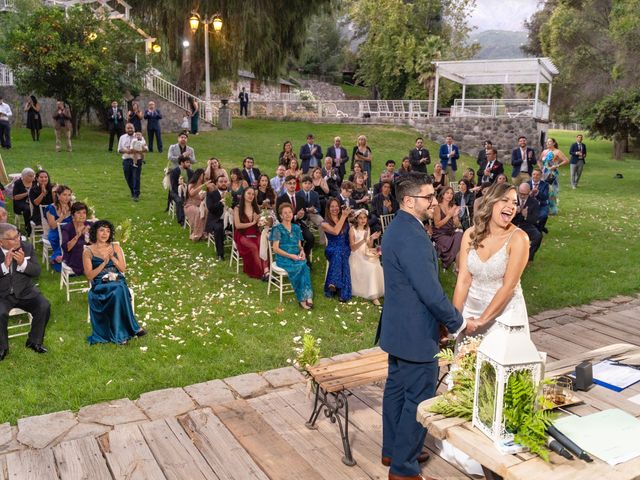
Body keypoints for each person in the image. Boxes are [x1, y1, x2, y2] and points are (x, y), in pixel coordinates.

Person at [378, 172, 464, 480]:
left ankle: (393, 450)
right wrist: (456, 322)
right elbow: (429, 291)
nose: (434, 201)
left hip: (397, 330)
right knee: (419, 399)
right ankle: (403, 468)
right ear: (409, 200)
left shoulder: (396, 227)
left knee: (397, 392)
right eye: (429, 197)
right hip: (415, 334)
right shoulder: (412, 236)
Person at [453, 182, 530, 341]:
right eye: (505, 200)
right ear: (491, 202)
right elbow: (463, 280)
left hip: (504, 314)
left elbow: (509, 286)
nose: (511, 206)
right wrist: (454, 319)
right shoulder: (470, 234)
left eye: (514, 203)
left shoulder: (519, 239)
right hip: (470, 312)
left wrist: (482, 320)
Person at [83, 220, 145, 345]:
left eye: (107, 230)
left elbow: (122, 269)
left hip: (117, 279)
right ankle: (128, 330)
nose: (105, 233)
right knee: (119, 290)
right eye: (101, 230)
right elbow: (89, 276)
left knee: (119, 287)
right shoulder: (88, 251)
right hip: (100, 283)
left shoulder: (115, 247)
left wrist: (112, 258)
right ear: (95, 232)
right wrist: (103, 263)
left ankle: (123, 332)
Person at [0, 223, 51, 360]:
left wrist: (23, 263)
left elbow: (36, 271)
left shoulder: (26, 247)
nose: (17, 240)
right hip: (2, 295)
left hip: (25, 291)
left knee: (44, 306)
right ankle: (2, 348)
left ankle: (34, 342)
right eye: (12, 239)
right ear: (1, 242)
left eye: (18, 236)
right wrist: (5, 265)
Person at [270, 203, 313, 309]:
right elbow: (275, 249)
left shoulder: (296, 228)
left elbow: (299, 245)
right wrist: (290, 256)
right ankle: (302, 298)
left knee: (305, 266)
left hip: (296, 255)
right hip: (283, 257)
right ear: (281, 215)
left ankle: (307, 295)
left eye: (290, 212)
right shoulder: (277, 229)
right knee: (300, 267)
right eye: (285, 213)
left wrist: (302, 251)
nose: (288, 215)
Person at [275, 175, 315, 264]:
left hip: (299, 225)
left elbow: (305, 216)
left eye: (294, 183)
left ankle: (304, 256)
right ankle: (293, 259)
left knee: (310, 238)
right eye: (290, 183)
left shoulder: (300, 199)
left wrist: (302, 215)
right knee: (294, 241)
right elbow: (279, 217)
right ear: (285, 185)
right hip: (287, 227)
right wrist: (296, 216)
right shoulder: (281, 199)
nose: (292, 185)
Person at [349, 209, 383, 306]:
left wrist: (371, 238)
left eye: (365, 218)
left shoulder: (367, 229)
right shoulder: (352, 230)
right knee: (371, 268)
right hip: (356, 256)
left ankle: (377, 291)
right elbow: (353, 247)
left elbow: (369, 245)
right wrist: (363, 240)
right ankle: (373, 296)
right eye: (360, 218)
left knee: (377, 265)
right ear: (356, 219)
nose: (363, 220)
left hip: (365, 253)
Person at [234, 187, 269, 280]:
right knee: (253, 247)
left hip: (255, 233)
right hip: (242, 234)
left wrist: (262, 222)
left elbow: (259, 224)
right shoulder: (237, 208)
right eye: (248, 193)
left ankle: (266, 271)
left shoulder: (256, 207)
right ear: (244, 195)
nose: (251, 196)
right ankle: (260, 273)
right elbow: (237, 225)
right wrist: (253, 223)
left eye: (253, 194)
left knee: (262, 244)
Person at [321, 198, 352, 302]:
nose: (335, 208)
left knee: (341, 252)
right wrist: (343, 216)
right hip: (331, 248)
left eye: (336, 206)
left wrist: (349, 216)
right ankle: (342, 292)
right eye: (332, 206)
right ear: (328, 209)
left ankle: (333, 284)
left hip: (345, 247)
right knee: (339, 252)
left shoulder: (345, 219)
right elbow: (335, 231)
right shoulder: (324, 223)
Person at [432, 186, 463, 272]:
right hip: (440, 234)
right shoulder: (437, 207)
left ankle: (457, 267)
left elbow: (457, 225)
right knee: (457, 242)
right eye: (447, 193)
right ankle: (448, 264)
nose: (449, 195)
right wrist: (449, 215)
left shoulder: (453, 206)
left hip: (451, 232)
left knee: (460, 235)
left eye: (451, 193)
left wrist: (455, 216)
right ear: (442, 194)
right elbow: (437, 225)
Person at [538, 137, 569, 215]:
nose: (548, 143)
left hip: (552, 173)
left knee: (552, 191)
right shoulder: (544, 151)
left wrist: (557, 165)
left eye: (550, 142)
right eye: (547, 142)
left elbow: (566, 160)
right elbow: (539, 160)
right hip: (543, 173)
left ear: (554, 143)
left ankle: (553, 210)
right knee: (543, 190)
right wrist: (540, 167)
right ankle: (544, 208)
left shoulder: (557, 152)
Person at [512, 183, 542, 262]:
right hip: (511, 225)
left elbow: (534, 220)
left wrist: (526, 216)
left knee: (538, 236)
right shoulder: (512, 200)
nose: (522, 196)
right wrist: (514, 213)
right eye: (520, 193)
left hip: (526, 225)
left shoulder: (534, 202)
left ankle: (528, 257)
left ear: (529, 192)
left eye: (524, 194)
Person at [46, 185, 73, 271]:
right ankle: (58, 257)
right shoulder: (51, 208)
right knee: (68, 239)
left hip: (69, 232)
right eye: (64, 195)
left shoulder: (72, 207)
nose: (67, 197)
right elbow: (53, 226)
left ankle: (64, 258)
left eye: (69, 195)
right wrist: (62, 216)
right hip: (56, 233)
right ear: (58, 195)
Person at [61, 202, 91, 275]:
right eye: (78, 213)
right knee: (80, 247)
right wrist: (77, 235)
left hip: (90, 254)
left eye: (84, 213)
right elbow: (67, 248)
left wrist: (87, 235)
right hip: (73, 257)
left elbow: (96, 243)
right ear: (73, 215)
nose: (82, 215)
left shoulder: (90, 225)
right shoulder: (67, 228)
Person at [205, 175, 230, 261]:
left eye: (225, 181)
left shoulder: (231, 193)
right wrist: (221, 202)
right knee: (219, 228)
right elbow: (210, 208)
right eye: (221, 181)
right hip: (216, 219)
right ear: (216, 184)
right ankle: (220, 254)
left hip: (230, 219)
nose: (223, 183)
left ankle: (239, 249)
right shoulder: (211, 194)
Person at [117, 123, 143, 201]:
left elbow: (145, 148)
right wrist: (126, 151)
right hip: (126, 159)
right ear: (125, 129)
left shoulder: (139, 136)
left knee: (136, 177)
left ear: (134, 128)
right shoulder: (122, 137)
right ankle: (133, 191)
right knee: (128, 177)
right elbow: (119, 150)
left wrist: (137, 150)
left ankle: (136, 194)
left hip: (137, 159)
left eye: (131, 128)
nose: (130, 129)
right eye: (128, 128)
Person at [184, 168, 209, 241]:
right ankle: (197, 234)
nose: (204, 176)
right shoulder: (192, 184)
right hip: (190, 205)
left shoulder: (204, 184)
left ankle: (204, 232)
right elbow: (191, 193)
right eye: (203, 175)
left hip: (200, 204)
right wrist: (202, 185)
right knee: (198, 212)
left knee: (206, 211)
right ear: (200, 175)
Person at [169, 156, 193, 226]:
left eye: (189, 162)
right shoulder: (174, 171)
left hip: (187, 191)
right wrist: (182, 192)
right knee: (179, 200)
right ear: (182, 163)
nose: (189, 164)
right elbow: (173, 186)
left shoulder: (190, 172)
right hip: (175, 191)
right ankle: (181, 220)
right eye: (187, 162)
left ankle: (191, 217)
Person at [11, 168, 36, 236]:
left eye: (33, 176)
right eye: (30, 176)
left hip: (32, 201)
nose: (32, 178)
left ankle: (36, 224)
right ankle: (28, 227)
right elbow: (15, 197)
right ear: (24, 176)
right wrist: (27, 193)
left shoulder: (35, 182)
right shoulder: (18, 183)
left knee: (38, 207)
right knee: (28, 209)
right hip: (20, 202)